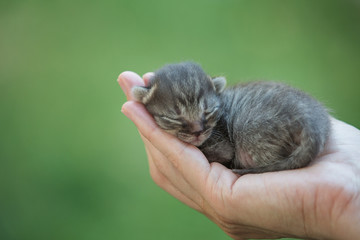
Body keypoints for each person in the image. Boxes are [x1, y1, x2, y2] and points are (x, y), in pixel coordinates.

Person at [118, 71, 360, 239]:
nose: (198, 130)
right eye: (178, 119)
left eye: (206, 114)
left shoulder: (228, 119)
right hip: (301, 121)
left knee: (247, 128)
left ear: (216, 93)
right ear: (148, 103)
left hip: (287, 124)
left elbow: (225, 150)